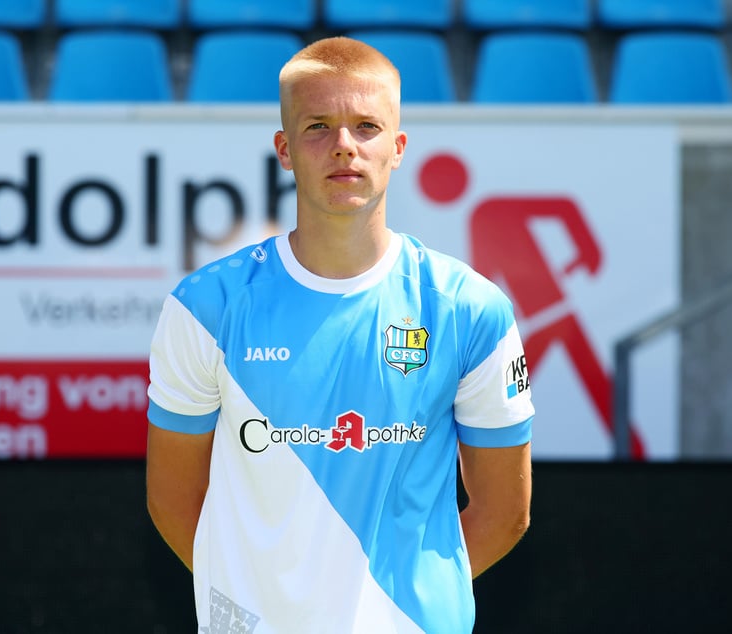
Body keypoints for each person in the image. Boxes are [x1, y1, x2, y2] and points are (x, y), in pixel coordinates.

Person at [145, 36, 534, 633]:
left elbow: (505, 511)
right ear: (284, 149)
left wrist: (393, 608)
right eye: (318, 126)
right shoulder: (206, 307)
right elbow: (171, 500)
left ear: (399, 147)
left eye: (367, 127)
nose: (344, 147)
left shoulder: (469, 309)